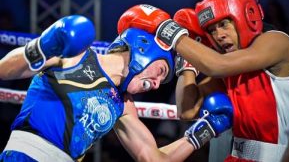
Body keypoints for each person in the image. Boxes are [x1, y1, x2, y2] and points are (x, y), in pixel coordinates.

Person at [0, 11, 233, 162]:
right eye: (160, 73)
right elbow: (4, 69)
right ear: (143, 48)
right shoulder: (77, 55)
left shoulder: (122, 105)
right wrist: (43, 46)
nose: (155, 85)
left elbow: (153, 159)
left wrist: (204, 131)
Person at [117, 0, 289, 162]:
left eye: (224, 24)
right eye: (212, 30)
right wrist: (187, 62)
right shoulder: (231, 70)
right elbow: (187, 110)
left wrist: (167, 30)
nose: (219, 35)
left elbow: (217, 65)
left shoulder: (278, 42)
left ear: (246, 17)